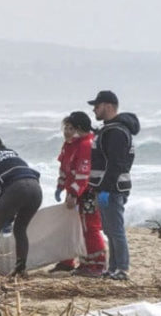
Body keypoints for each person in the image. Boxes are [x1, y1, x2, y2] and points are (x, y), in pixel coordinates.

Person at [87, 90, 140, 281]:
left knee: (115, 230)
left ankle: (122, 269)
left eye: (97, 105)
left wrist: (105, 189)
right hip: (108, 187)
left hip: (112, 189)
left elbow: (115, 164)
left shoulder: (116, 131)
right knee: (109, 230)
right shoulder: (109, 129)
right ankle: (113, 267)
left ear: (108, 106)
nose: (94, 109)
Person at [48, 111, 106, 277]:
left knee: (90, 227)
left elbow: (83, 173)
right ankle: (68, 261)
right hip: (74, 191)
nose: (66, 131)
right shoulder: (70, 144)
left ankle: (97, 264)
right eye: (65, 127)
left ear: (79, 128)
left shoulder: (86, 145)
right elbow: (65, 167)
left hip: (87, 193)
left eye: (70, 128)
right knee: (72, 226)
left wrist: (73, 193)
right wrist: (60, 186)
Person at [0, 141, 42, 277]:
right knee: (20, 228)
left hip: (18, 188)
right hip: (36, 188)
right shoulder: (12, 153)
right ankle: (21, 267)